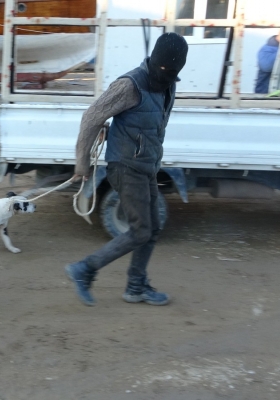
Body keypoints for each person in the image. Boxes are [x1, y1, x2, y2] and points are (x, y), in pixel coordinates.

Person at [65, 32, 189, 307]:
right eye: (164, 68)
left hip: (146, 166)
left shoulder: (169, 85)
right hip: (125, 167)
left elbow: (150, 123)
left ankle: (136, 287)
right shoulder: (129, 84)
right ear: (154, 61)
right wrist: (82, 163)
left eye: (173, 70)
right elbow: (92, 117)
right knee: (141, 230)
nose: (166, 74)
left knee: (153, 226)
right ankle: (85, 269)